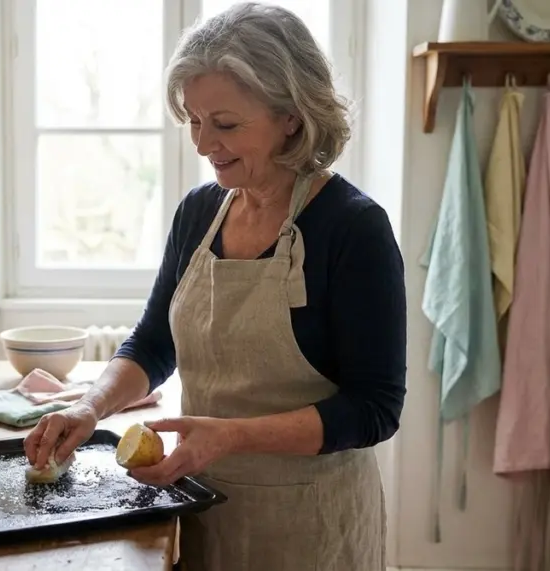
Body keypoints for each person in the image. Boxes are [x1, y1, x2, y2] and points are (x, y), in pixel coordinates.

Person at [23, 2, 407, 569]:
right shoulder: (199, 213)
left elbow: (376, 409)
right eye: (194, 121)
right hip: (199, 505)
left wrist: (230, 436)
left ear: (292, 117)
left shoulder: (353, 227)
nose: (203, 144)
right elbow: (154, 344)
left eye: (225, 124)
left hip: (311, 526)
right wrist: (89, 407)